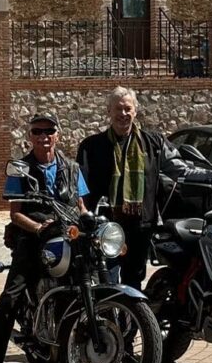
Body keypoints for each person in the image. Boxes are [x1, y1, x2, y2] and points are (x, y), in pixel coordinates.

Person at [0, 113, 88, 363]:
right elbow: (15, 214)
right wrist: (38, 228)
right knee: (10, 299)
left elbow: (81, 206)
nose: (43, 136)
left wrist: (91, 221)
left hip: (67, 238)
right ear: (30, 136)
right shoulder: (20, 168)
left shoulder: (71, 168)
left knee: (89, 283)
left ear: (57, 135)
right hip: (34, 241)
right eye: (38, 131)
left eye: (49, 130)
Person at [76, 86, 186, 291]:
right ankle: (108, 322)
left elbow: (179, 169)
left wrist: (209, 174)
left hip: (141, 225)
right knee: (106, 280)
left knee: (133, 282)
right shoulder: (91, 146)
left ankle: (131, 323)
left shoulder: (154, 142)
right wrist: (84, 214)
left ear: (135, 111)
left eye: (128, 109)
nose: (123, 114)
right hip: (105, 226)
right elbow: (80, 186)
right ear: (109, 111)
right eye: (118, 109)